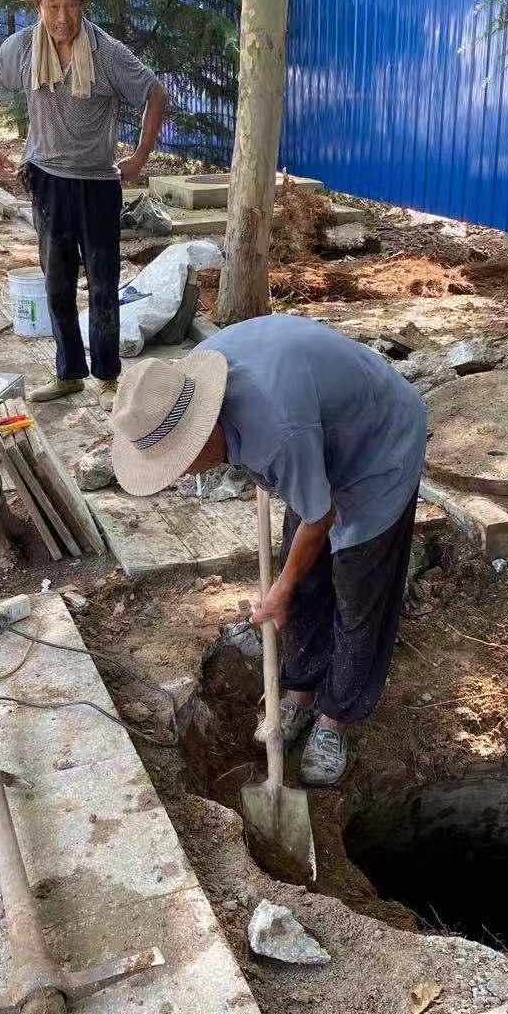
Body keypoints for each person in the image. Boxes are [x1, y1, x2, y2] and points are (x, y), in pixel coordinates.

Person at [109, 315, 428, 786]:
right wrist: (288, 584)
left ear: (206, 428)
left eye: (182, 461)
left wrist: (279, 589)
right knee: (304, 575)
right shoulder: (186, 386)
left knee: (360, 589)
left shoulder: (277, 435)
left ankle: (334, 718)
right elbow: (310, 511)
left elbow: (319, 517)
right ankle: (300, 690)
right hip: (318, 430)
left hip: (378, 445)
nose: (181, 474)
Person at [0, 0, 168, 411]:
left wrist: (139, 156)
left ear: (84, 3)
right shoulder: (22, 48)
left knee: (102, 284)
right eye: (53, 5)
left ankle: (106, 376)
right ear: (38, 5)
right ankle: (68, 374)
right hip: (46, 182)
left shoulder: (106, 53)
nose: (63, 17)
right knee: (57, 285)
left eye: (72, 4)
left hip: (99, 183)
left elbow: (156, 92)